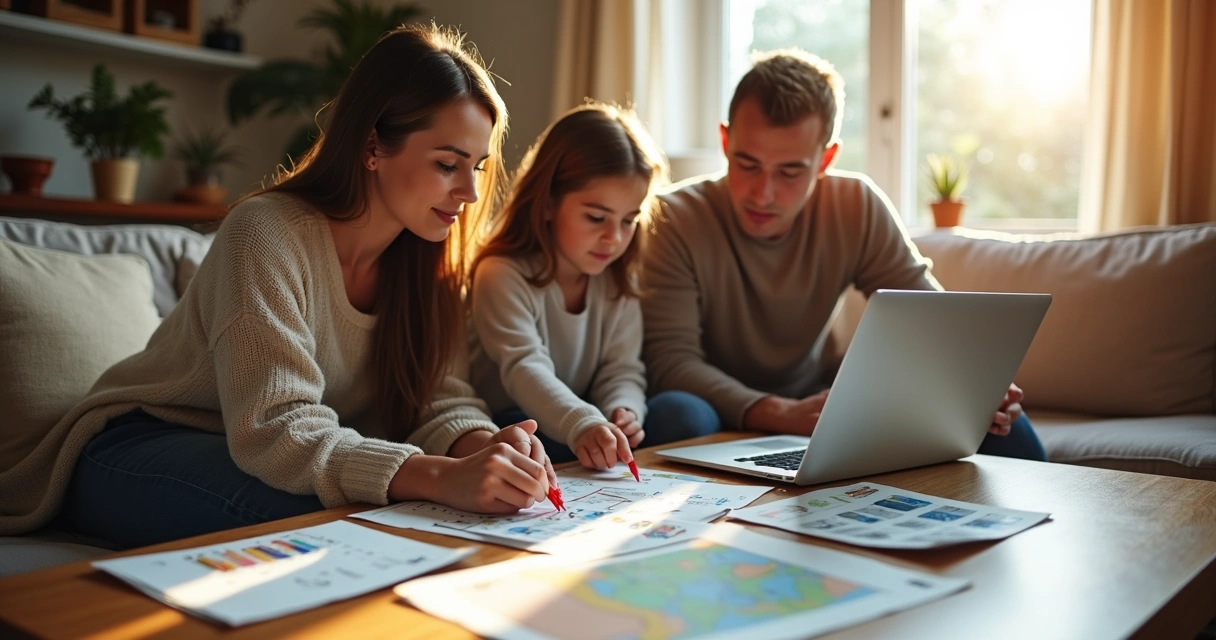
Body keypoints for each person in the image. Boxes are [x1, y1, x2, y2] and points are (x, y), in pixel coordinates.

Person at [0, 24, 558, 550]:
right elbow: (274, 425)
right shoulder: (265, 233)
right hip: (138, 445)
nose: (468, 190)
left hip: (259, 454)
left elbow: (440, 397)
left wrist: (483, 448)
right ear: (372, 146)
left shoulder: (427, 261)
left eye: (479, 167)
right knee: (336, 521)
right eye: (446, 164)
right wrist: (439, 475)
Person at [641, 49, 1047, 461]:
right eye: (747, 164)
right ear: (726, 141)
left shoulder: (856, 204)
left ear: (826, 159)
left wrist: (978, 382)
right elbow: (671, 363)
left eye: (789, 172)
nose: (762, 193)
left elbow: (931, 318)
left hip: (816, 404)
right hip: (713, 406)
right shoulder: (672, 217)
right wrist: (778, 412)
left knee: (1001, 424)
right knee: (677, 413)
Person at [468, 103, 719, 470]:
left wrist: (624, 411)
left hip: (583, 415)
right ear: (549, 202)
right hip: (520, 417)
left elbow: (622, 370)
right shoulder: (502, 274)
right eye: (596, 217)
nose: (613, 238)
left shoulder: (616, 280)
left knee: (688, 413)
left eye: (629, 221)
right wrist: (584, 422)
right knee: (525, 438)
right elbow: (525, 367)